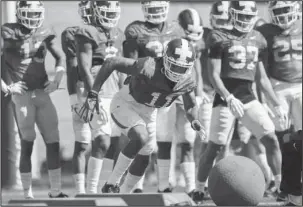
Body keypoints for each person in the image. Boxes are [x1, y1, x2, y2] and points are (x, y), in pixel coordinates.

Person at [79, 38, 206, 194]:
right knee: (141, 137)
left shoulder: (186, 80)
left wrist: (194, 120)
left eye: (182, 68)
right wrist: (93, 92)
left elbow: (191, 104)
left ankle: (125, 194)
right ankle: (111, 184)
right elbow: (111, 62)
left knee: (144, 158)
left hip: (150, 112)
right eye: (174, 66)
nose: (177, 72)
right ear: (165, 59)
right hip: (126, 103)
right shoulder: (148, 66)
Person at [195, 1, 286, 203]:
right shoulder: (219, 37)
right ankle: (199, 188)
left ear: (254, 16)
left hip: (248, 97)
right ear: (233, 15)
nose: (245, 20)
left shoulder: (259, 39)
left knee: (271, 139)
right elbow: (214, 76)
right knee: (215, 147)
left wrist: (276, 103)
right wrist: (228, 97)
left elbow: (262, 79)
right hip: (226, 98)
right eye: (241, 16)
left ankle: (281, 186)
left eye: (248, 16)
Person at [1, 1, 68, 199]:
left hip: (42, 93)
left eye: (36, 13)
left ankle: (55, 191)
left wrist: (57, 79)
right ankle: (27, 193)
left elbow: (59, 57)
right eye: (29, 13)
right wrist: (6, 86)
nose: (33, 17)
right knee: (28, 143)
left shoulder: (45, 31)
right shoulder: (8, 32)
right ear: (19, 14)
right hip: (22, 95)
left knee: (53, 141)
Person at [123, 1, 185, 193]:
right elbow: (130, 64)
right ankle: (137, 185)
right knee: (144, 141)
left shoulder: (176, 29)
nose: (156, 12)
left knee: (165, 140)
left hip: (167, 92)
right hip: (145, 92)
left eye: (159, 8)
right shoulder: (136, 30)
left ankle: (164, 184)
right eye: (153, 8)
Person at [71, 1, 125, 194]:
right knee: (102, 141)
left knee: (116, 143)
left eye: (113, 13)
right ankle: (91, 190)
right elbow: (84, 67)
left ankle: (106, 188)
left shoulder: (118, 33)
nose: (110, 17)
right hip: (97, 92)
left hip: (116, 93)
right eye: (106, 13)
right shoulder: (86, 32)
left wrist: (125, 92)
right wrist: (92, 95)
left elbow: (122, 66)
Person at [256, 0, 302, 201]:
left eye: (286, 10)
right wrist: (271, 98)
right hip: (277, 87)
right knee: (283, 139)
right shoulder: (264, 31)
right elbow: (261, 71)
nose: (283, 15)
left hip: (301, 86)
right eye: (279, 11)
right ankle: (285, 185)